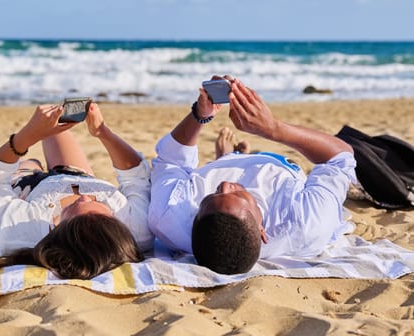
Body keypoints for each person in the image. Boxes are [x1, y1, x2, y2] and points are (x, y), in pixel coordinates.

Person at [147, 76, 356, 275]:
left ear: (193, 223)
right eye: (238, 196)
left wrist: (200, 115)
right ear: (262, 231)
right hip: (277, 165)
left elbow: (169, 160)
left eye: (211, 195)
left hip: (217, 166)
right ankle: (232, 156)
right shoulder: (305, 224)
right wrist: (272, 128)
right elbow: (341, 156)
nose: (226, 184)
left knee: (207, 174)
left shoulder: (170, 219)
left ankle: (228, 158)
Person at [0, 102, 154, 279]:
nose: (84, 197)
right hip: (77, 176)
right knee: (57, 127)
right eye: (96, 203)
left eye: (76, 206)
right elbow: (136, 176)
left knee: (30, 163)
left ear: (58, 229)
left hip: (27, 187)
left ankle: (32, 166)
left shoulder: (17, 231)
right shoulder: (136, 230)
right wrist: (102, 132)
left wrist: (27, 136)